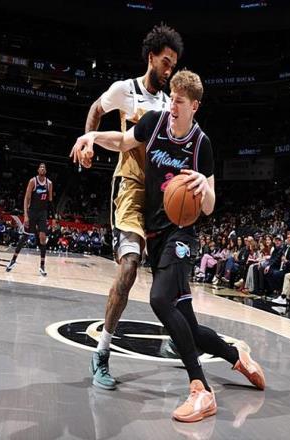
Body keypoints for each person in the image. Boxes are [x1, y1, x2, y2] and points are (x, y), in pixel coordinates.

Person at [72, 69, 265, 423]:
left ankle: (200, 390)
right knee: (188, 328)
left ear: (194, 106)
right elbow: (123, 142)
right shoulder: (154, 123)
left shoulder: (201, 144)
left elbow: (210, 205)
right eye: (171, 99)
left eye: (179, 102)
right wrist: (93, 136)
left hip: (182, 236)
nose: (172, 106)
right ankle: (236, 356)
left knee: (160, 300)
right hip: (155, 236)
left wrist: (203, 187)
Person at [69, 24, 183, 390]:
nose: (169, 70)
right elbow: (96, 109)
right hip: (130, 187)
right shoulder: (125, 90)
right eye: (165, 62)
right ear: (151, 57)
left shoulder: (170, 104)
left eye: (173, 65)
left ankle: (177, 336)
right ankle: (102, 351)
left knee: (174, 270)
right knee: (130, 265)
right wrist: (87, 141)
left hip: (160, 195)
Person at [6, 163, 53, 276]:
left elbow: (50, 200)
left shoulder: (49, 183)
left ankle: (42, 266)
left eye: (44, 167)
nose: (42, 169)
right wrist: (26, 215)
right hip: (32, 212)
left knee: (42, 238)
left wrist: (52, 216)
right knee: (25, 237)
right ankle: (13, 261)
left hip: (42, 213)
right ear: (38, 170)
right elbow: (26, 199)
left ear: (46, 171)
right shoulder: (33, 181)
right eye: (40, 167)